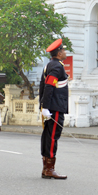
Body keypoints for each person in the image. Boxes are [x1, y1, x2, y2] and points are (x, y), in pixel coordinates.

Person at [39, 38, 70, 175]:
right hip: (55, 107)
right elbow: (49, 87)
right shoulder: (57, 67)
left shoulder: (51, 65)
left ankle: (46, 168)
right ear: (58, 53)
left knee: (48, 136)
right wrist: (46, 107)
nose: (65, 51)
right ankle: (49, 169)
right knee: (52, 137)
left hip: (52, 106)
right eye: (63, 50)